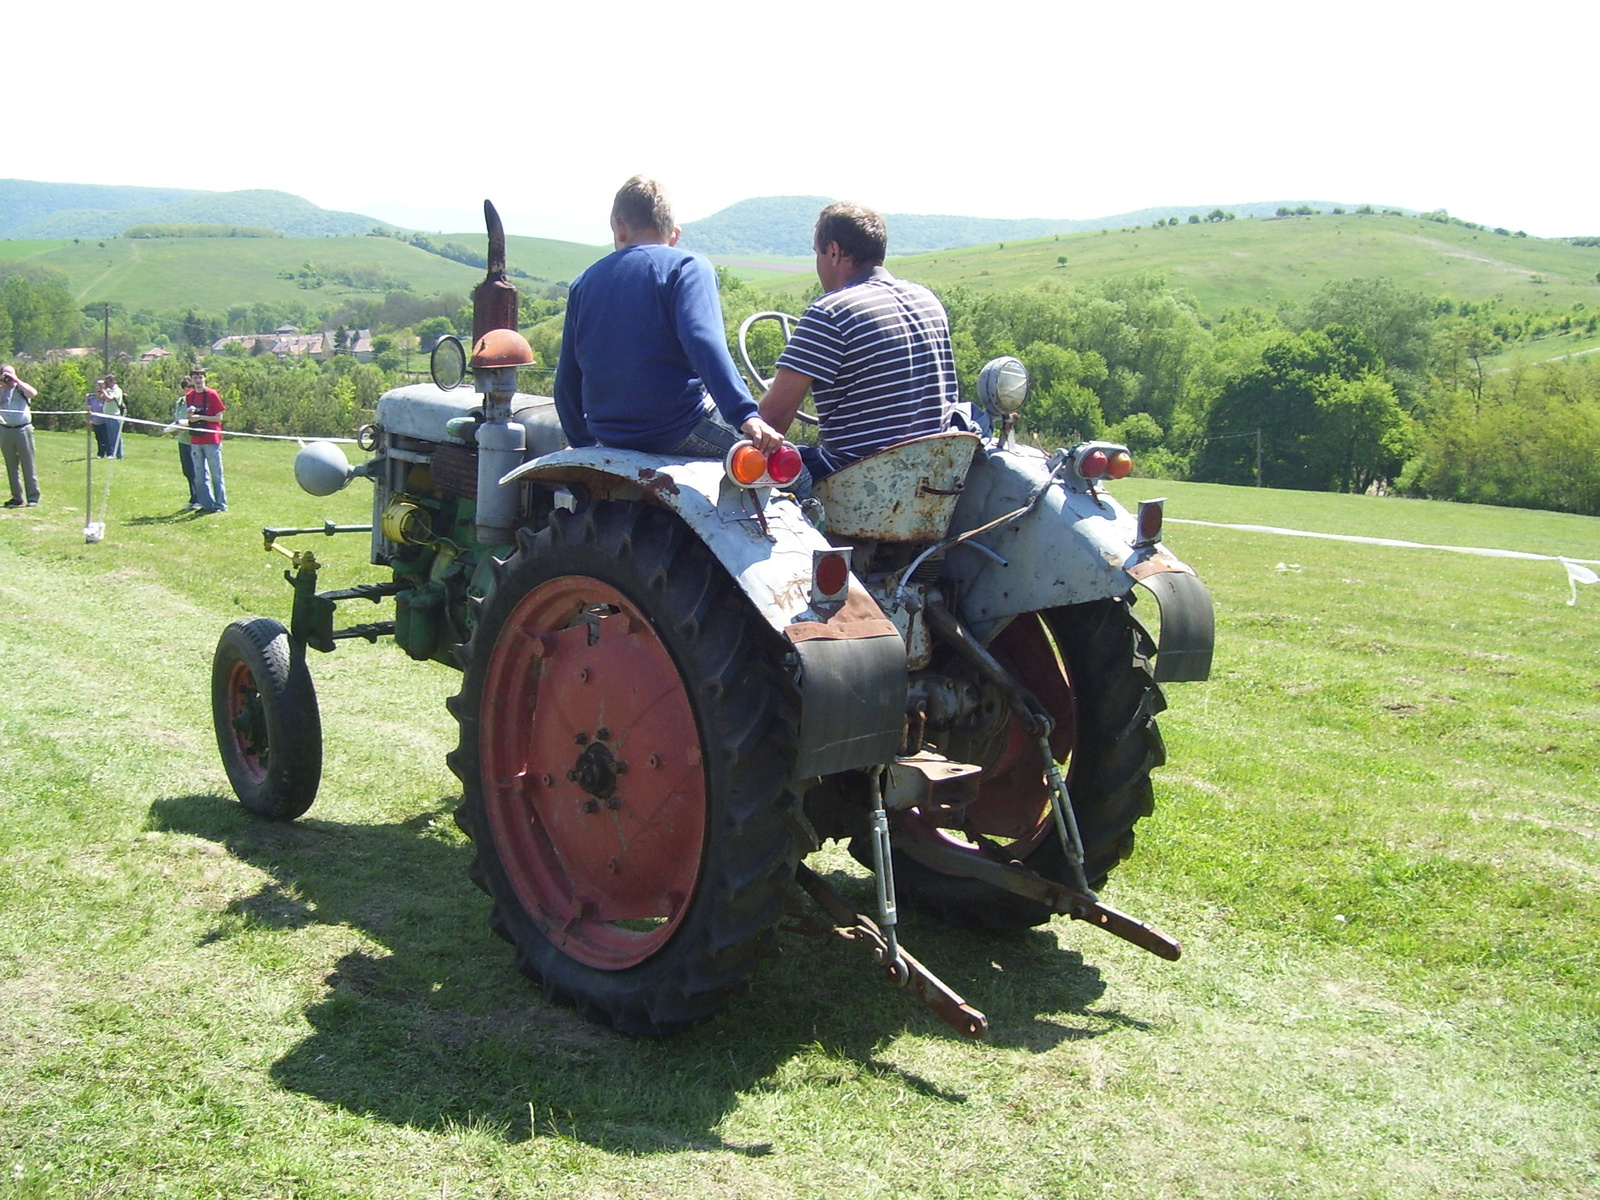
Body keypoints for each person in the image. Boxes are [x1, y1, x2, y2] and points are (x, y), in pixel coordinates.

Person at [553, 175, 784, 458]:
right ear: (674, 234)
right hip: (677, 430)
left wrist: (583, 445)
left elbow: (567, 378)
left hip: (608, 437)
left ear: (618, 227)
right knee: (797, 476)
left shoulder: (584, 282)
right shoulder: (687, 266)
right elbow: (703, 341)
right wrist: (746, 414)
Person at [757, 202, 964, 485]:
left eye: (817, 253)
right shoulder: (927, 301)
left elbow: (772, 418)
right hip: (934, 476)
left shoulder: (830, 312)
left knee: (750, 465)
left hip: (856, 481)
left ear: (834, 251)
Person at [185, 370, 227, 513]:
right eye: (195, 377)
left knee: (216, 472)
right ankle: (206, 504)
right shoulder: (189, 396)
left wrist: (201, 418)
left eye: (200, 377)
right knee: (199, 474)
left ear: (204, 378)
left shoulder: (212, 395)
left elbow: (218, 417)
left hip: (211, 439)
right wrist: (191, 417)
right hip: (196, 439)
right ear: (191, 380)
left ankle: (221, 504)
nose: (198, 380)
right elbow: (190, 418)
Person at [0, 364, 40, 507]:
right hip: (5, 430)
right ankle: (17, 497)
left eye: (10, 374)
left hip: (23, 430)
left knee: (28, 464)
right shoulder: (1, 389)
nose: (8, 377)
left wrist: (16, 380)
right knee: (11, 466)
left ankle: (33, 497)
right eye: (6, 375)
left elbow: (33, 393)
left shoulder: (21, 388)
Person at [172, 381, 201, 510]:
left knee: (195, 470)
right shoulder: (180, 402)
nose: (188, 390)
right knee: (187, 471)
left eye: (191, 388)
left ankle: (199, 498)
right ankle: (193, 496)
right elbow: (178, 419)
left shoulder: (194, 403)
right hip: (182, 440)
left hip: (192, 441)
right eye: (186, 388)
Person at [98, 375, 125, 459]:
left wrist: (103, 390)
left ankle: (119, 455)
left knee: (116, 436)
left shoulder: (117, 390)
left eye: (107, 382)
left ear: (112, 381)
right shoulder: (108, 390)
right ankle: (113, 453)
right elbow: (100, 398)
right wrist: (99, 390)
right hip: (108, 415)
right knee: (110, 436)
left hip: (114, 415)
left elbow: (109, 398)